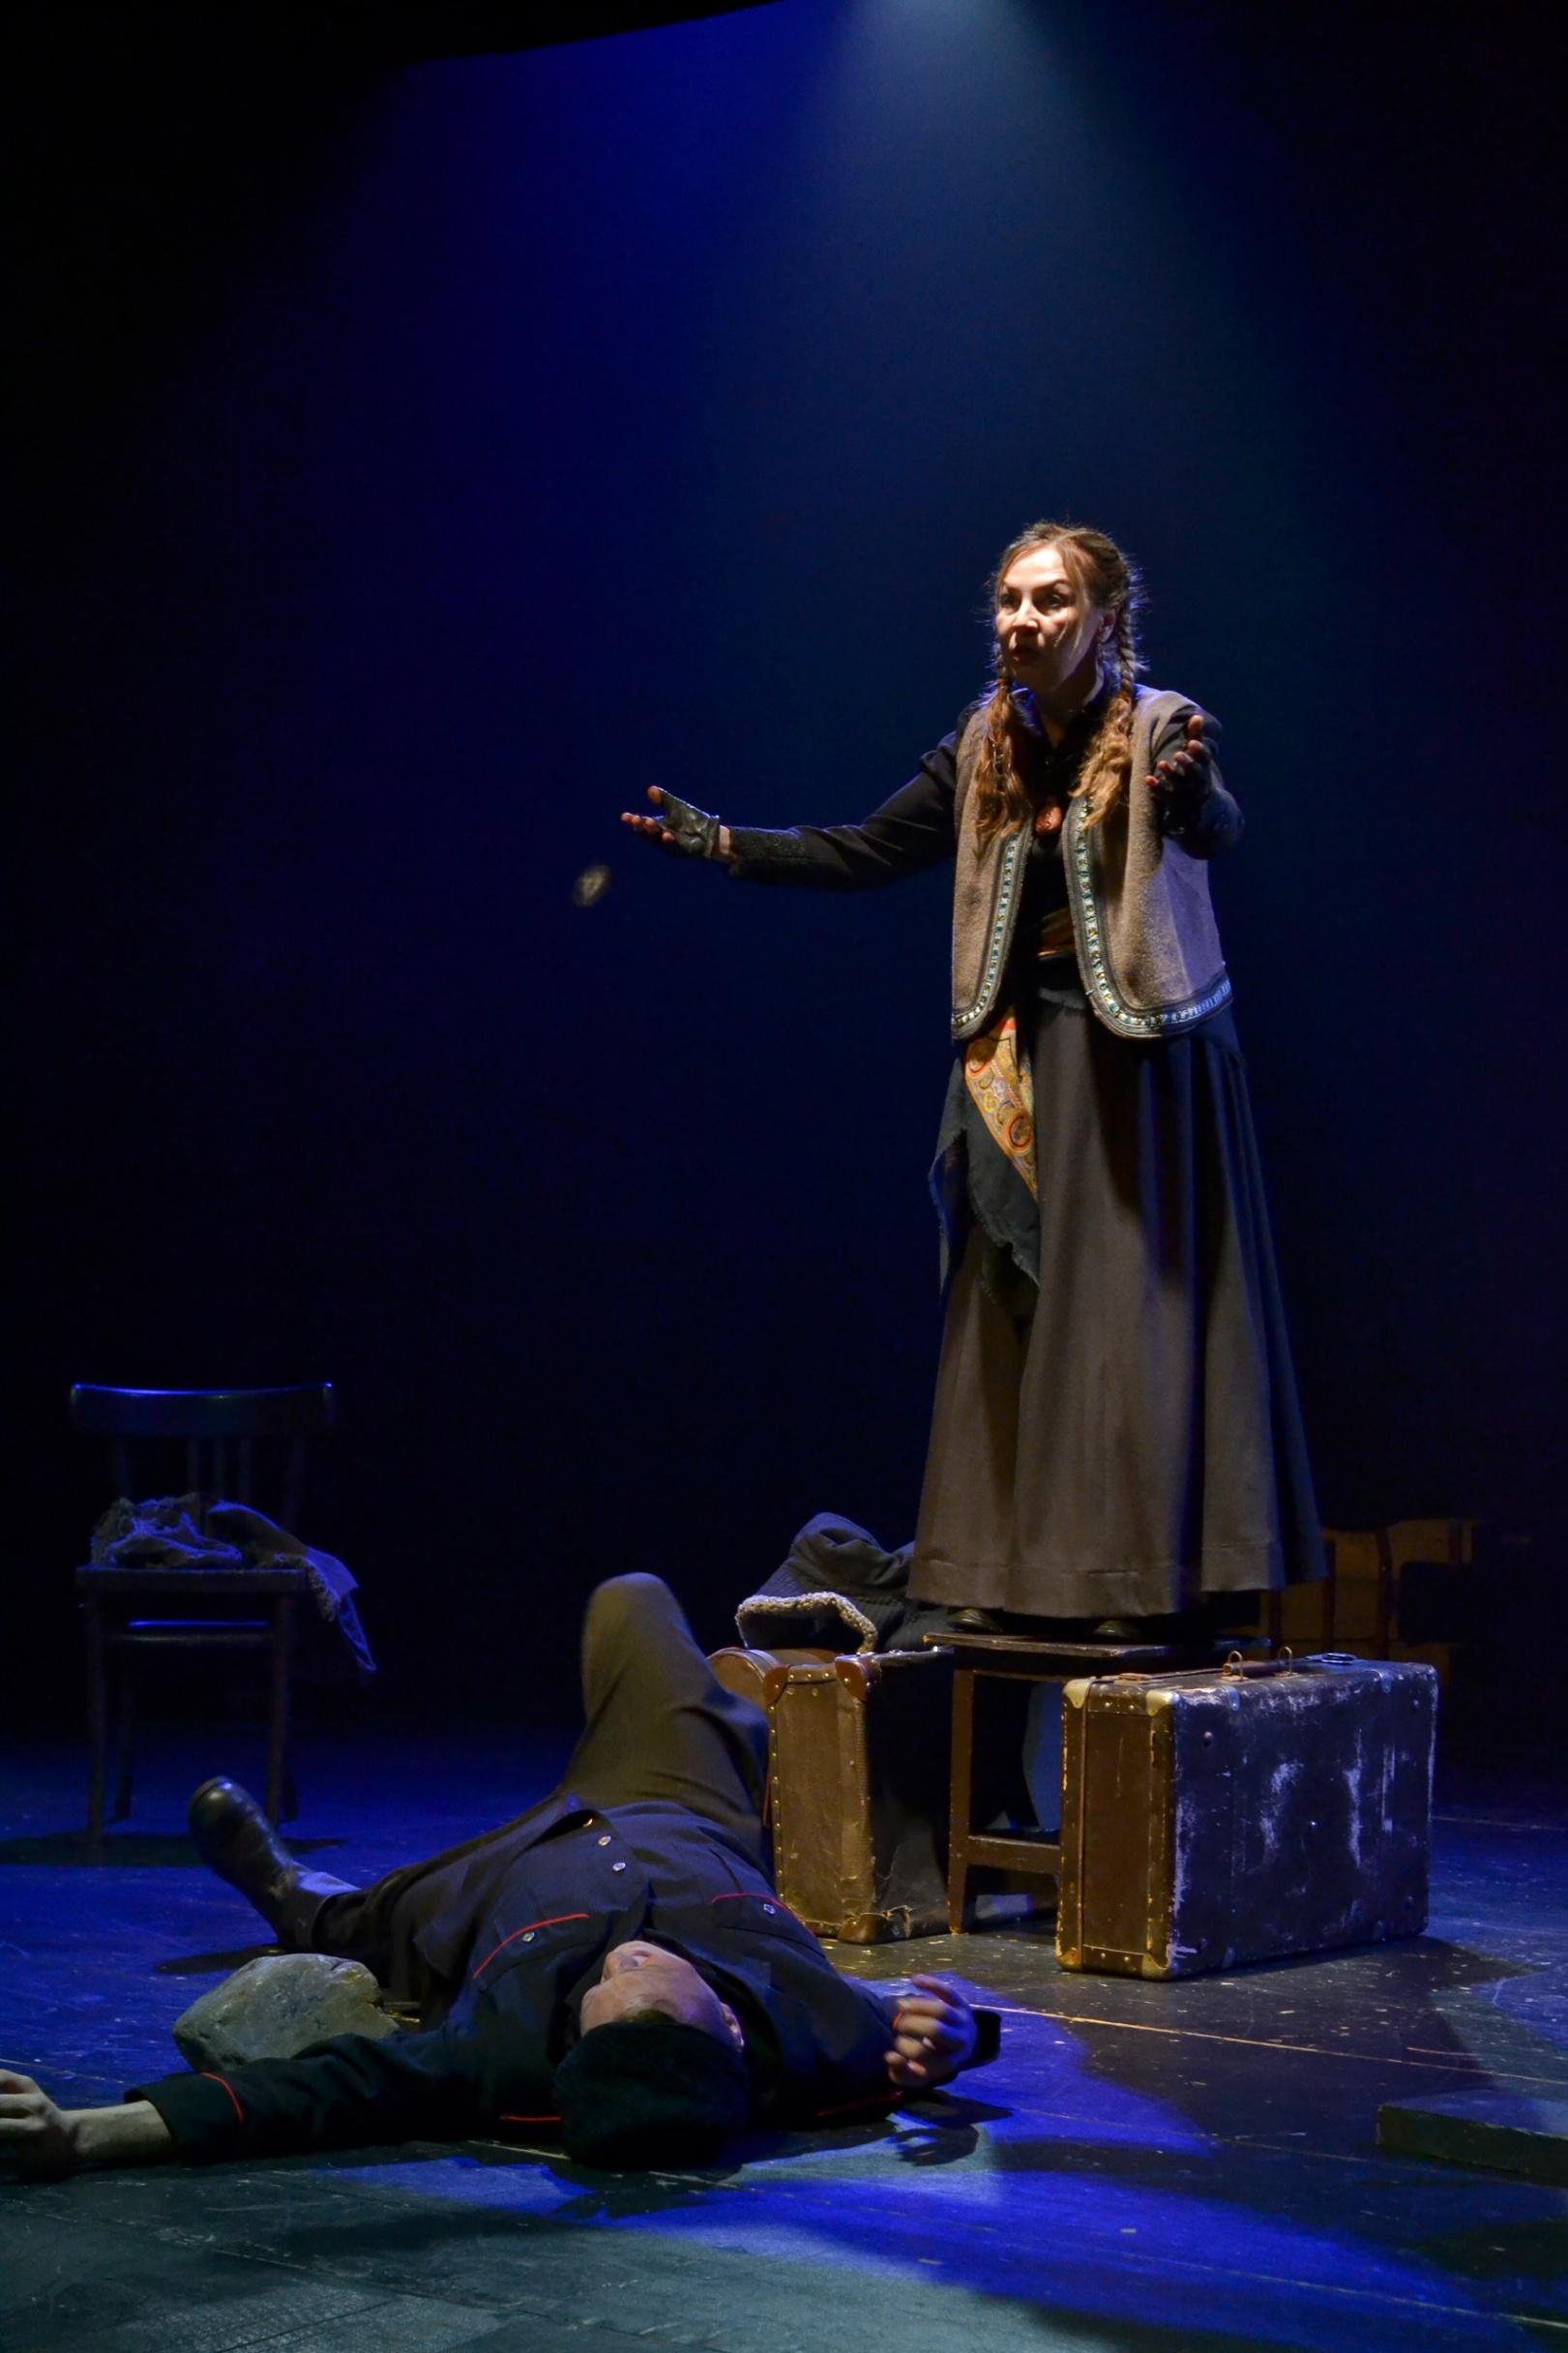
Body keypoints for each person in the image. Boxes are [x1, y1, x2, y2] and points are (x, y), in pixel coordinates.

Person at [622, 521, 1321, 1629]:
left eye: (1050, 600)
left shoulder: (1161, 725)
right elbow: (867, 847)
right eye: (1009, 600)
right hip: (1015, 1054)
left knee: (1122, 1318)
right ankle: (1001, 1577)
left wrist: (1190, 796)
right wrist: (726, 844)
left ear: (1104, 618)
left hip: (1138, 1061)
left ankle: (1131, 1581)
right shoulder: (983, 743)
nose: (1022, 620)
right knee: (1004, 1311)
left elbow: (1213, 826)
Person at [0, 1575, 995, 2182]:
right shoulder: (825, 2037)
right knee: (632, 1598)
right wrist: (950, 2038)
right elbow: (950, 2032)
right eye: (653, 1978)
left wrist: (79, 2137)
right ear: (729, 2030)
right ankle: (714, 1719)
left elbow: (314, 2094)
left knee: (360, 1923)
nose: (623, 1960)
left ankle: (299, 1898)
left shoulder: (500, 2056)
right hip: (672, 1803)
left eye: (602, 1995)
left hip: (497, 1881)